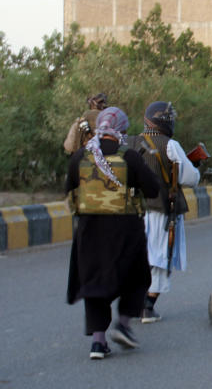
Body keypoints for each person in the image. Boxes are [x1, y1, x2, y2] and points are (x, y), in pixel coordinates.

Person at [65, 107, 161, 359]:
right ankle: (124, 325)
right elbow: (152, 189)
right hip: (125, 231)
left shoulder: (80, 157)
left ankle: (98, 342)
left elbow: (69, 190)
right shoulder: (129, 156)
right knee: (136, 277)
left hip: (89, 232)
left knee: (94, 282)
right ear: (120, 131)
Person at [129, 102, 200, 323]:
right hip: (161, 211)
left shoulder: (129, 142)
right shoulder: (170, 145)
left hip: (133, 211)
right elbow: (189, 178)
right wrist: (195, 166)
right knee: (161, 257)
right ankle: (147, 306)